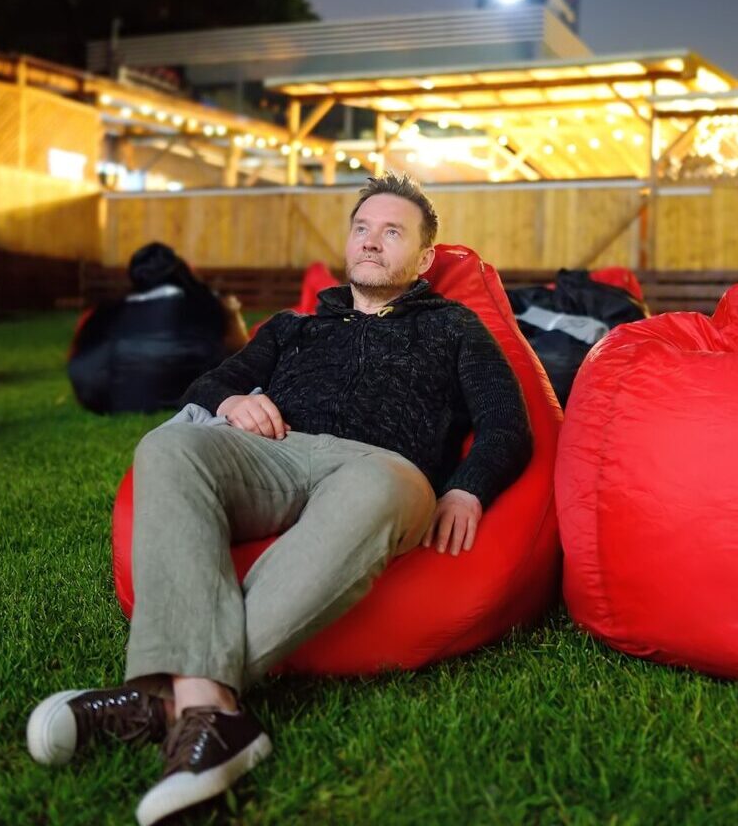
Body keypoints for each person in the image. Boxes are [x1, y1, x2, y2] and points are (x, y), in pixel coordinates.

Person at [26, 172, 534, 824]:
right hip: (277, 457)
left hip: (383, 474)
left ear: (425, 258)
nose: (371, 242)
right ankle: (209, 709)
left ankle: (158, 701)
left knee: (378, 483)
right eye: (361, 228)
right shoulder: (293, 327)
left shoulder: (454, 327)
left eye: (391, 231)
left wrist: (467, 487)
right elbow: (207, 387)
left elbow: (507, 425)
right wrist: (234, 399)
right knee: (166, 448)